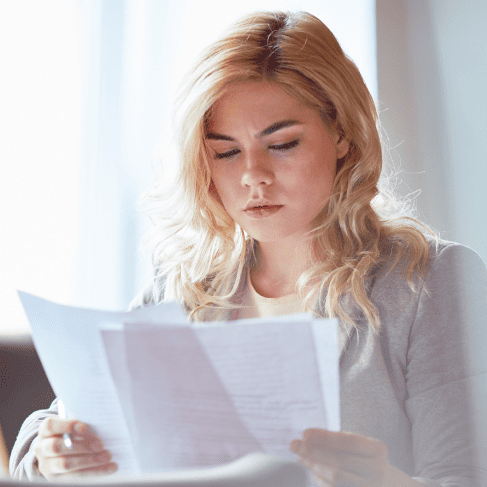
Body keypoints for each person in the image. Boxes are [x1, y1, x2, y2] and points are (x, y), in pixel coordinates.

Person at [10, 10, 487, 486]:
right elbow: (53, 427)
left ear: (341, 133)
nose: (252, 176)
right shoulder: (185, 288)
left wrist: (386, 482)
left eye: (281, 144)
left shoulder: (430, 282)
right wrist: (50, 457)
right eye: (226, 151)